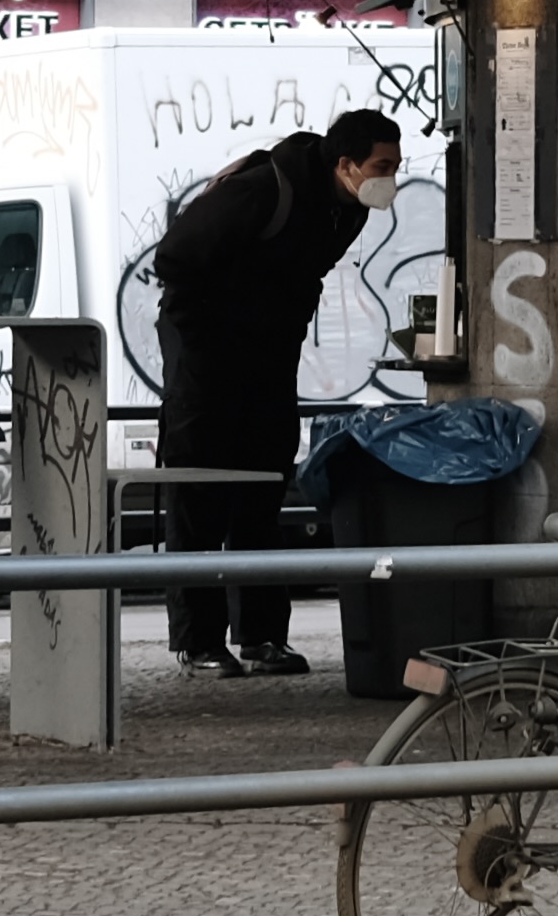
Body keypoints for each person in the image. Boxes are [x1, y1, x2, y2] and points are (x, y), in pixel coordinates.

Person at [154, 106, 402, 676]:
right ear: (346, 164)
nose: (390, 178)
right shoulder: (265, 189)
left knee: (264, 490)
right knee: (199, 492)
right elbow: (175, 257)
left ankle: (263, 635)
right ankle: (199, 641)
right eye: (382, 166)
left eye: (395, 165)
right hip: (207, 356)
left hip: (269, 358)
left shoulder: (348, 209)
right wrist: (211, 332)